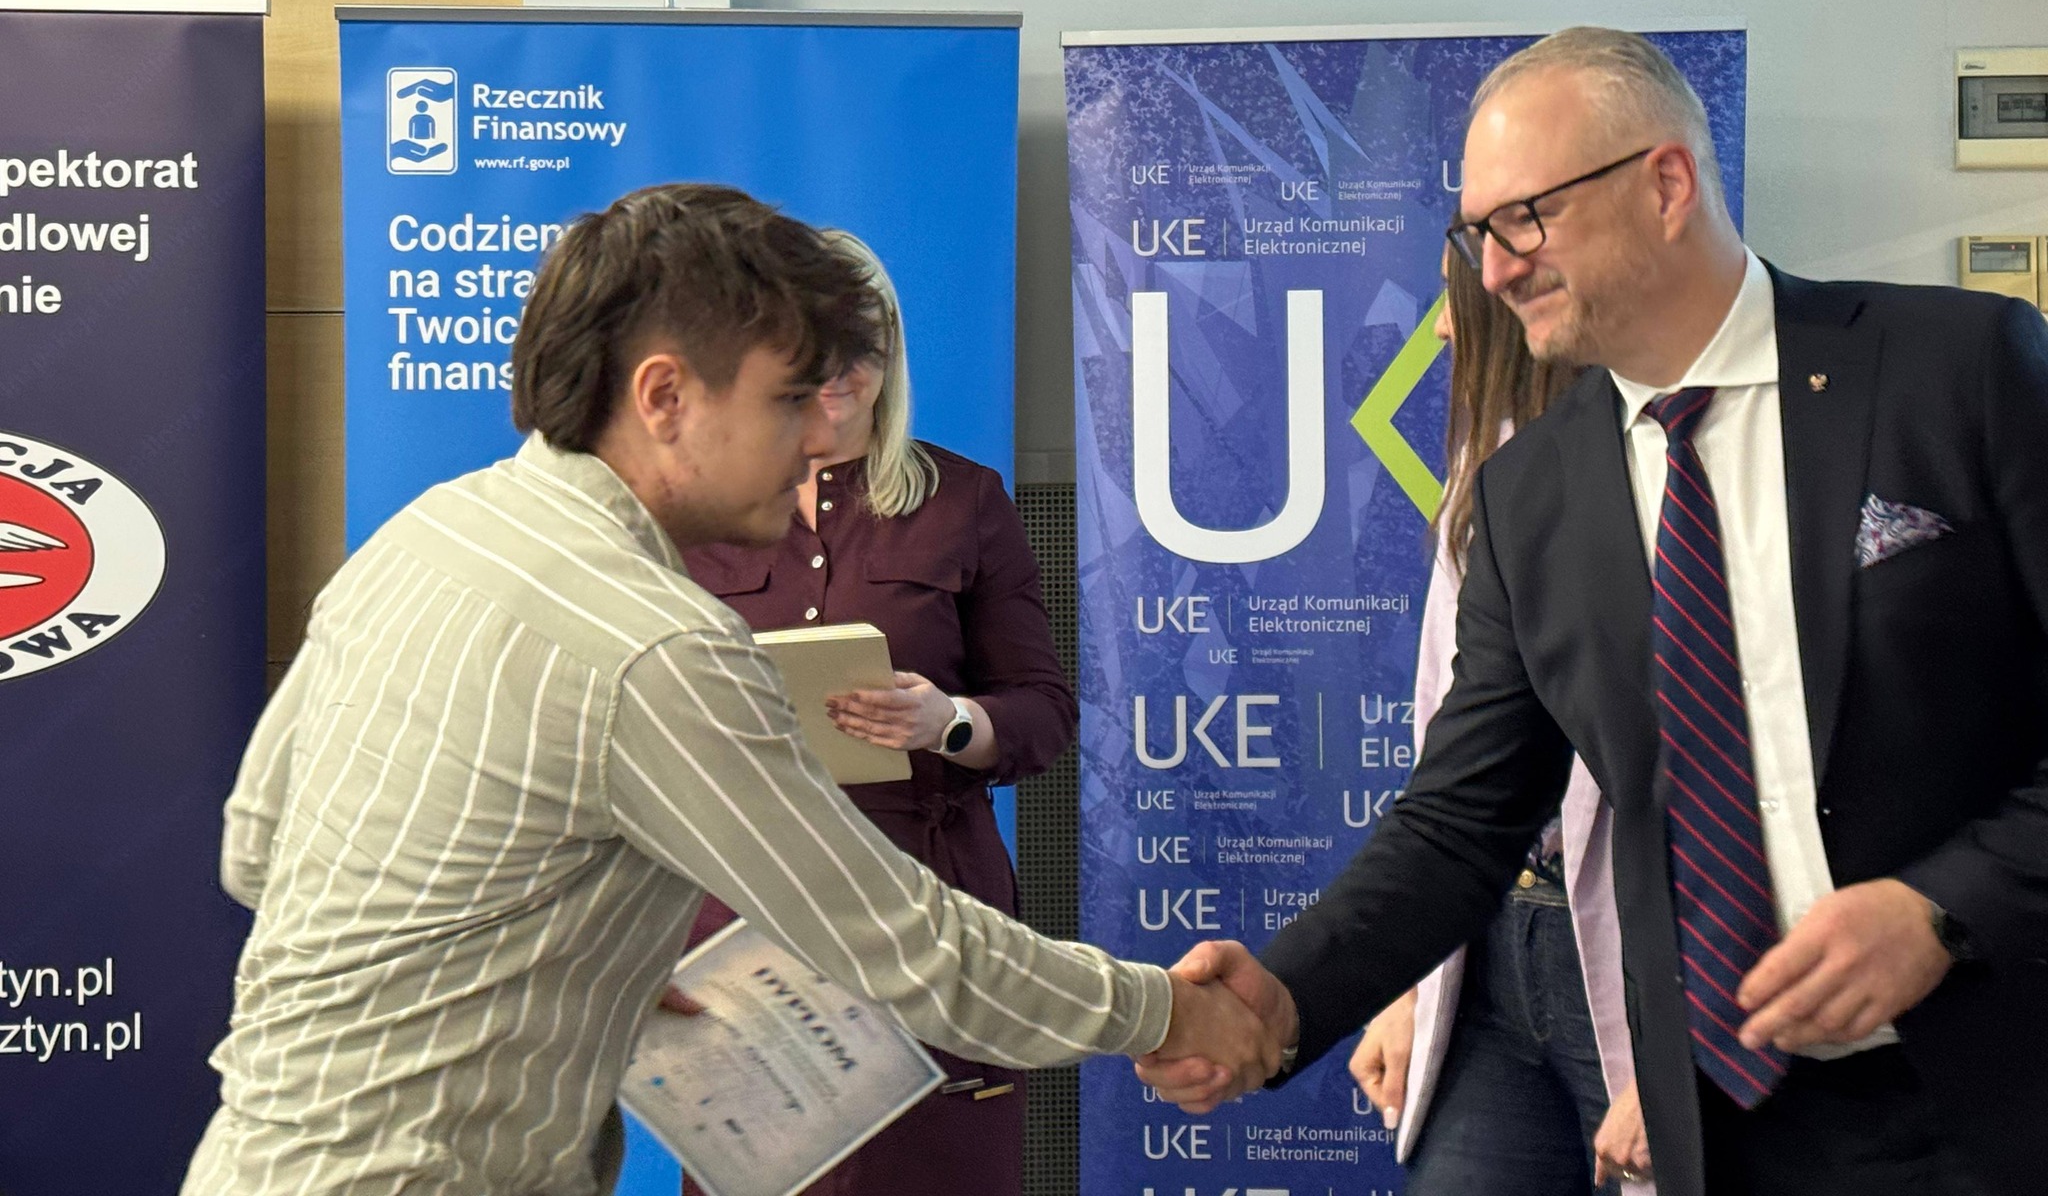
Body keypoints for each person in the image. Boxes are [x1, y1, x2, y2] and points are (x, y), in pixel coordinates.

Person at [184, 184, 1277, 1196]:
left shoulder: (429, 534)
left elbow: (255, 847)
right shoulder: (654, 644)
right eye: (788, 399)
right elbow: (903, 944)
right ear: (664, 395)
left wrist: (583, 969)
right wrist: (1165, 1011)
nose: (817, 436)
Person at [1139, 28, 2048, 1196]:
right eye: (1475, 235)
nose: (1492, 271)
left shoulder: (1958, 366)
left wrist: (1938, 909)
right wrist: (1284, 994)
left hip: (1996, 1090)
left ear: (1664, 184)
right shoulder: (1530, 495)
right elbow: (1459, 819)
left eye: (1524, 220)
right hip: (1725, 1122)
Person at [673, 231, 1071, 1196]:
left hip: (929, 906)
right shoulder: (701, 510)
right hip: (751, 915)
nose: (843, 370)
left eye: (866, 343)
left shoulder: (964, 500)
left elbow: (1045, 712)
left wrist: (949, 723)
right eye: (817, 345)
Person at [1348, 250, 1654, 1192]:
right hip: (1490, 952)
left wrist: (1692, 1050)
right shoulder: (1485, 479)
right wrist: (1410, 984)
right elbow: (1453, 770)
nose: (1444, 326)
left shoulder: (1663, 473)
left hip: (1643, 970)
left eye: (1456, 298)